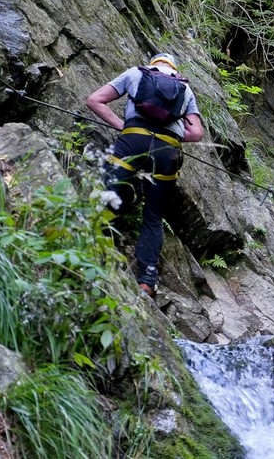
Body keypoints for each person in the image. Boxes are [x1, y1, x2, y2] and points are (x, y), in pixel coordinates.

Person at [86, 52, 204, 297]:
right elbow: (197, 134)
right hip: (167, 152)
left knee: (109, 194)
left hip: (133, 140)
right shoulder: (184, 88)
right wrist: (170, 135)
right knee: (153, 215)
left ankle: (96, 252)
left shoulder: (136, 73)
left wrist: (125, 126)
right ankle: (147, 280)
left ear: (154, 65)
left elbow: (95, 100)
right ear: (173, 68)